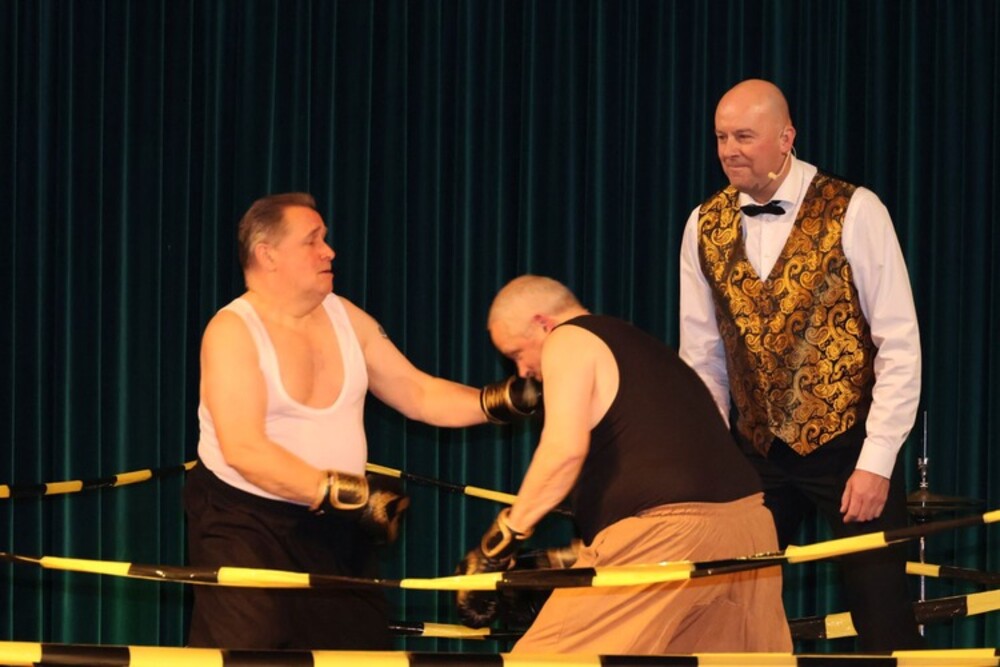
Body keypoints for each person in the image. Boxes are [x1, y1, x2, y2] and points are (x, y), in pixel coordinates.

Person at [184, 192, 538, 650]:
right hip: (246, 525)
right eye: (312, 240)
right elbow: (244, 449)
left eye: (325, 239)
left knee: (359, 652)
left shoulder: (344, 317)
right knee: (251, 653)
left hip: (336, 527)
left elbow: (417, 392)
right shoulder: (233, 330)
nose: (329, 251)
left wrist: (500, 401)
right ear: (268, 254)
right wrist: (353, 495)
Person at [679, 79, 923, 651]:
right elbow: (702, 356)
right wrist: (713, 462)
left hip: (848, 447)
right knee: (725, 615)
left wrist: (877, 462)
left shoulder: (856, 210)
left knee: (882, 618)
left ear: (786, 137)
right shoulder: (702, 224)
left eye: (744, 136)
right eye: (721, 137)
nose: (730, 150)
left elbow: (899, 343)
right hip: (755, 453)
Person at [456, 275, 792, 654]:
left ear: (542, 323)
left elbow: (563, 452)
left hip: (668, 533)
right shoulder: (640, 345)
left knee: (545, 662)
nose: (521, 372)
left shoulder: (567, 339)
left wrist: (497, 545)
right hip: (749, 528)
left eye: (517, 353)